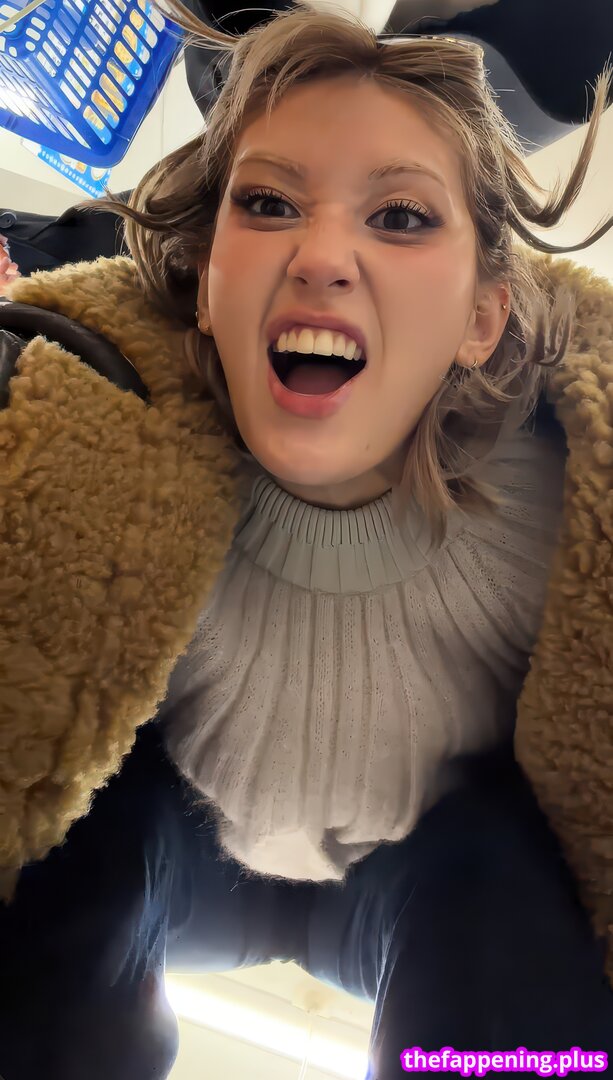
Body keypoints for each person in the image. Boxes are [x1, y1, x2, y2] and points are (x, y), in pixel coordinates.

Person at [0, 2, 612, 1076]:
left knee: (510, 962)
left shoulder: (566, 520)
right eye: (269, 203)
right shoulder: (92, 446)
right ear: (206, 284)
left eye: (401, 217)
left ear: (481, 318)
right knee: (60, 912)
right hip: (165, 849)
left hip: (436, 877)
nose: (320, 255)